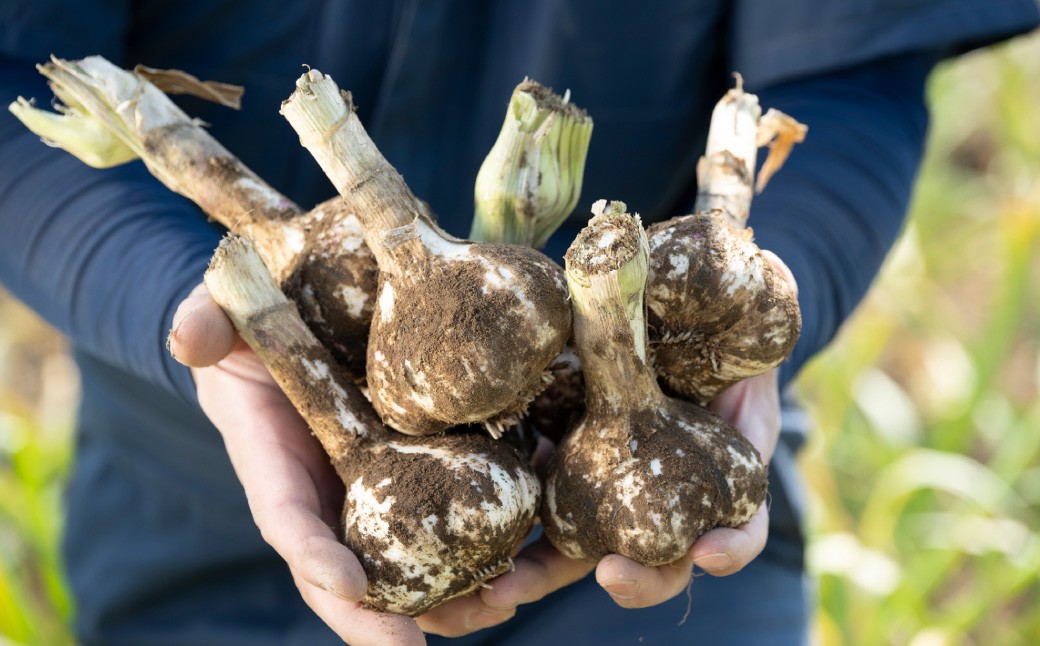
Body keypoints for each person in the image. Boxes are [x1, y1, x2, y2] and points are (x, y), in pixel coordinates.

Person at [1, 1, 1037, 644]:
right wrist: (182, 307)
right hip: (189, 515)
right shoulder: (315, 288)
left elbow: (847, 67)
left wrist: (756, 289)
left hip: (664, 462)